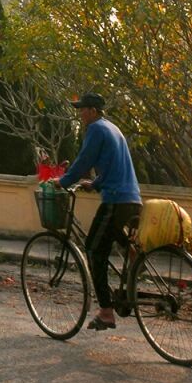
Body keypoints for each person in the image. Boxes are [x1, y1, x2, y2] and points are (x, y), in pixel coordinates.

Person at [58, 90, 142, 331]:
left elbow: (84, 160)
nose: (81, 114)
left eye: (83, 109)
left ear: (93, 111)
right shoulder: (112, 128)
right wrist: (94, 184)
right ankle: (133, 253)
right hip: (132, 199)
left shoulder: (95, 129)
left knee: (94, 249)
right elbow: (114, 169)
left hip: (115, 200)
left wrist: (63, 182)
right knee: (111, 236)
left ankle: (106, 312)